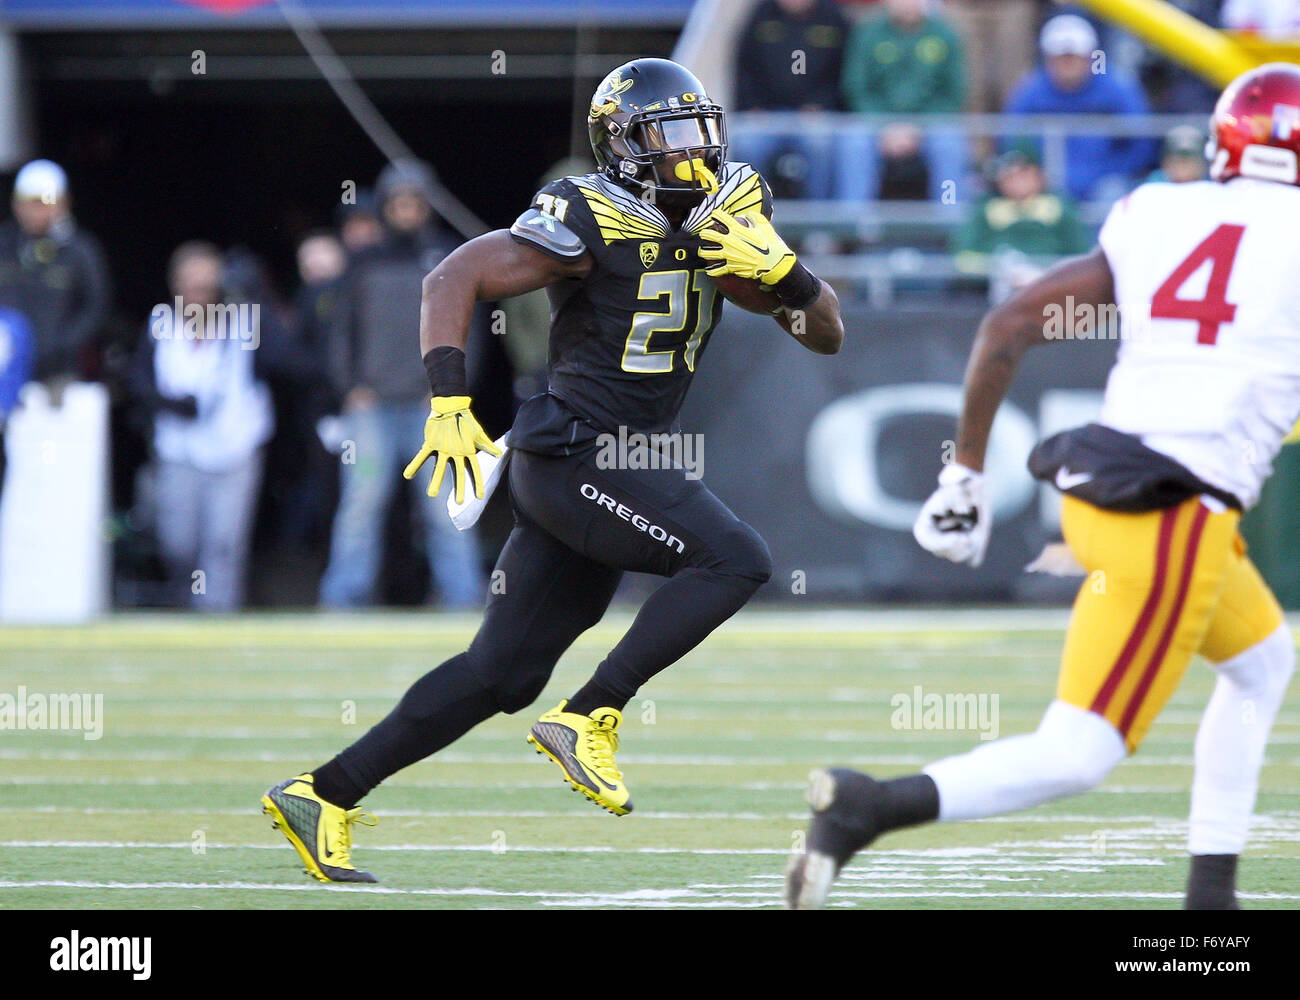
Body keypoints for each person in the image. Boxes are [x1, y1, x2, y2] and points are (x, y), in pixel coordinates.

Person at [262, 57, 844, 883]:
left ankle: (323, 793)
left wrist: (789, 273)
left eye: (699, 129)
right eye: (669, 134)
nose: (693, 151)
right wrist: (448, 401)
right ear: (623, 145)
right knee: (734, 558)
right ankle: (593, 713)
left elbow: (822, 332)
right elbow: (454, 274)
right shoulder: (591, 214)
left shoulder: (729, 211)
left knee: (501, 674)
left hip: (610, 461)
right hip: (577, 451)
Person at [786, 63, 1300, 911]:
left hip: (1103, 486)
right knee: (1080, 751)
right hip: (1174, 512)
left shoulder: (1157, 210)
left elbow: (1011, 322)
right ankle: (866, 807)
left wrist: (965, 472)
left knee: (1263, 661)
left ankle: (1213, 895)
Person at [318, 159, 484, 609]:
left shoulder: (450, 256)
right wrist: (348, 386)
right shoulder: (363, 262)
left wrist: (453, 391)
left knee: (445, 507)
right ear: (387, 206)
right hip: (370, 406)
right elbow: (340, 332)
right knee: (361, 505)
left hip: (434, 408)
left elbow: (472, 332)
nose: (408, 211)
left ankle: (463, 596)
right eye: (400, 202)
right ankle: (344, 598)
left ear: (427, 206)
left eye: (416, 202)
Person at [130, 241, 273, 612]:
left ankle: (217, 615)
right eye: (191, 285)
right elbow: (138, 379)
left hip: (233, 449)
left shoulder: (247, 322)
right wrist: (169, 403)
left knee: (224, 544)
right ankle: (186, 606)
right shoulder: (160, 323)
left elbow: (291, 358)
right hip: (178, 449)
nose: (199, 294)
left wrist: (259, 295)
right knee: (178, 542)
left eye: (207, 286)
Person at [1004, 14, 1157, 202]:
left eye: (1074, 57)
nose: (1068, 65)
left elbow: (1141, 140)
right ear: (1048, 59)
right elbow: (1010, 139)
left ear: (1090, 57)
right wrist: (1036, 175)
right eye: (1061, 58)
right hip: (1045, 185)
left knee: (1112, 193)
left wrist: (1114, 170)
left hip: (1104, 181)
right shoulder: (1032, 90)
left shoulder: (1116, 87)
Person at [839, 0, 968, 201]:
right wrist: (886, 126)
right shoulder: (868, 32)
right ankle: (856, 224)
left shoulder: (945, 34)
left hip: (930, 124)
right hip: (876, 123)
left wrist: (917, 127)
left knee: (949, 145)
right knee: (854, 143)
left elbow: (953, 93)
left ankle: (949, 221)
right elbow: (857, 88)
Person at [0, 159, 111, 386]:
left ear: (63, 203)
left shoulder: (80, 249)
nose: (34, 211)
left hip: (60, 374)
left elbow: (96, 304)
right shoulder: (5, 244)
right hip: (6, 367)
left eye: (43, 202)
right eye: (27, 202)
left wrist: (61, 344)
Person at [730, 0, 850, 199]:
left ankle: (818, 222)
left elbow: (844, 71)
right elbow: (744, 68)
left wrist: (823, 104)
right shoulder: (761, 15)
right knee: (747, 143)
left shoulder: (832, 17)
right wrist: (752, 107)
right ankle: (753, 217)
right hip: (766, 115)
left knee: (820, 144)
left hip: (817, 116)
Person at [952, 147, 1092, 275]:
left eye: (1023, 172)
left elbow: (1080, 254)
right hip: (995, 285)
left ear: (1038, 175)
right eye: (1009, 175)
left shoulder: (1060, 208)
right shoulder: (986, 210)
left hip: (1052, 283)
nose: (1017, 180)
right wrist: (998, 267)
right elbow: (964, 257)